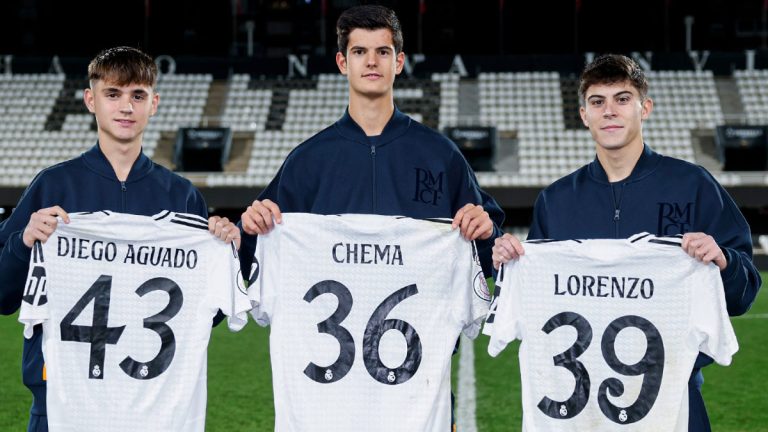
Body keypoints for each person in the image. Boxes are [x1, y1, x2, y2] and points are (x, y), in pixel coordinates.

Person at [238, 4, 504, 429]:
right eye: (360, 51)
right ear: (343, 62)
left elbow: (490, 257)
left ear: (399, 61)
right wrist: (247, 227)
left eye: (383, 51)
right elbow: (248, 255)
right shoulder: (308, 161)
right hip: (325, 397)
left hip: (418, 394)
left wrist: (486, 232)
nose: (372, 61)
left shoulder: (441, 156)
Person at [491, 53, 762, 431]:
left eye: (622, 99)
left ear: (644, 108)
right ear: (584, 114)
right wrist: (510, 261)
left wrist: (724, 261)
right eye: (597, 102)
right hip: (579, 410)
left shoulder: (693, 185)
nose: (610, 112)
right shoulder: (556, 200)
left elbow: (744, 292)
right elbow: (536, 306)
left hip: (673, 401)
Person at [0, 46, 240, 432]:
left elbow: (199, 316)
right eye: (113, 94)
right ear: (91, 100)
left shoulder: (182, 197)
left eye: (138, 95)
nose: (126, 106)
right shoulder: (54, 185)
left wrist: (221, 253)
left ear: (154, 103)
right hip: (63, 401)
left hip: (155, 404)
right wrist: (24, 242)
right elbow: (2, 296)